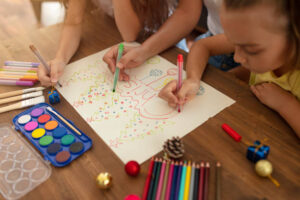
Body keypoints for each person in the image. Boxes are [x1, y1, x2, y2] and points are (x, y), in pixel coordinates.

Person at [159, 0, 300, 137]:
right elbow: (202, 46)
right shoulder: (256, 37)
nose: (237, 58)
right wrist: (192, 80)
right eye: (234, 43)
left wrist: (286, 105)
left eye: (251, 50)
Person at [38, 0, 201, 86]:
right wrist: (60, 58)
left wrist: (144, 50)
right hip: (123, 35)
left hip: (165, 37)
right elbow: (73, 21)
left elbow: (129, 33)